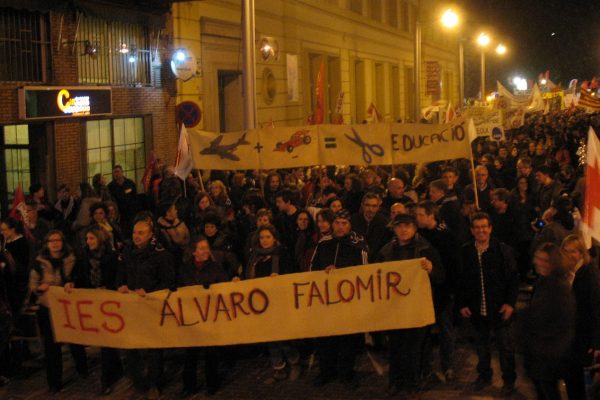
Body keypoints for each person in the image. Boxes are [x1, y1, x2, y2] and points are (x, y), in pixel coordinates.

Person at [376, 213, 444, 396]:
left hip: (417, 308)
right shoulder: (386, 251)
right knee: (395, 347)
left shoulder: (426, 250)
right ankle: (395, 381)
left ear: (414, 229)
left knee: (413, 348)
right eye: (399, 226)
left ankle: (412, 383)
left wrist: (431, 269)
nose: (403, 230)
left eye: (407, 226)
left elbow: (440, 277)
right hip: (394, 308)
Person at [458, 212, 519, 395]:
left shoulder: (502, 250)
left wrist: (510, 303)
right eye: (477, 227)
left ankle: (509, 380)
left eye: (484, 226)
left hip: (499, 308)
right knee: (481, 347)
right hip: (477, 309)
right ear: (471, 230)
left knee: (505, 348)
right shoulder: (466, 251)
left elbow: (513, 278)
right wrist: (462, 303)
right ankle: (484, 375)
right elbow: (461, 280)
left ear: (490, 228)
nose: (481, 230)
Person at [310, 209, 368, 389]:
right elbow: (312, 270)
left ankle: (346, 374)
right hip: (326, 301)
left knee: (347, 340)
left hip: (348, 302)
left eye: (344, 223)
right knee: (325, 339)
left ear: (350, 225)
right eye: (337, 223)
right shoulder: (323, 244)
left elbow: (365, 273)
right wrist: (324, 272)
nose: (340, 227)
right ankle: (326, 371)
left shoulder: (359, 245)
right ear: (332, 224)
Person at [117, 219, 175, 399]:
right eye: (135, 232)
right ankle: (137, 380)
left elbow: (169, 283)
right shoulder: (127, 252)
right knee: (131, 345)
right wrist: (122, 285)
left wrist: (149, 293)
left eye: (141, 233)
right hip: (131, 306)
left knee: (153, 347)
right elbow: (120, 275)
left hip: (151, 306)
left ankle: (153, 383)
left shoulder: (161, 255)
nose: (136, 236)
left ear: (151, 235)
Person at [29, 230, 88, 393]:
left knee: (74, 339)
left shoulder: (71, 259)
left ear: (63, 242)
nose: (55, 243)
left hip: (67, 306)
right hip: (48, 307)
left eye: (58, 240)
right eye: (51, 241)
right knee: (51, 345)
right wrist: (39, 288)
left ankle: (82, 367)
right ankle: (54, 381)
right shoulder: (39, 262)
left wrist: (72, 283)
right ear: (47, 244)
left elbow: (80, 277)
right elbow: (33, 285)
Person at [519, 243, 575, 400]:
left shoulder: (559, 288)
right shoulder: (544, 282)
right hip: (540, 353)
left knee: (549, 393)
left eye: (545, 260)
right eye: (537, 258)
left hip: (549, 355)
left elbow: (563, 323)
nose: (539, 262)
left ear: (554, 262)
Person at [245, 225, 300, 384]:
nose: (264, 240)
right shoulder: (254, 256)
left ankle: (294, 361)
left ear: (274, 238)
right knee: (269, 336)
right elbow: (248, 277)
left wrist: (280, 277)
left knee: (281, 335)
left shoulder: (282, 254)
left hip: (279, 302)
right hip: (261, 305)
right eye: (262, 237)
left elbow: (291, 274)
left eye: (268, 237)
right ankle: (279, 367)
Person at [178, 236, 229, 396]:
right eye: (201, 248)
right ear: (193, 252)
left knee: (211, 353)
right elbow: (178, 287)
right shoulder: (185, 269)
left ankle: (212, 383)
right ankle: (189, 385)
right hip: (191, 317)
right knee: (190, 354)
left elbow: (224, 286)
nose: (205, 251)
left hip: (210, 316)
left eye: (206, 248)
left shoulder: (215, 268)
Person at [415, 200, 459, 382]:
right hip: (423, 291)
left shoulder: (446, 236)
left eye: (420, 215)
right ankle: (426, 367)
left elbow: (454, 265)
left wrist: (451, 290)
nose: (416, 218)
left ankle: (448, 366)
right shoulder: (419, 235)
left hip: (442, 290)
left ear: (430, 215)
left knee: (445, 331)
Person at [74, 227, 122, 395]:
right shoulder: (83, 258)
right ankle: (116, 368)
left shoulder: (112, 257)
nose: (88, 242)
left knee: (106, 340)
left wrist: (109, 288)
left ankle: (106, 379)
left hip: (108, 303)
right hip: (92, 302)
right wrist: (72, 284)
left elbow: (118, 277)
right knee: (105, 340)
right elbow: (79, 277)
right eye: (87, 239)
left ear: (100, 239)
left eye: (92, 239)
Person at [560, 235, 600, 400]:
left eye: (574, 251)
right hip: (573, 337)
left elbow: (596, 308)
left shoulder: (588, 273)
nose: (570, 255)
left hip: (583, 338)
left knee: (581, 381)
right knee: (573, 377)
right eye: (566, 251)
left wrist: (596, 342)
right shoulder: (569, 271)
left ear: (582, 252)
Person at [350, 192, 390, 262]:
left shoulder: (384, 223)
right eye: (367, 205)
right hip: (356, 260)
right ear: (362, 205)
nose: (370, 209)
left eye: (374, 206)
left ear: (378, 207)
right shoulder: (353, 220)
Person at [107, 165, 138, 235]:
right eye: (114, 172)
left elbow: (135, 196)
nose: (116, 174)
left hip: (131, 212)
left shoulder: (130, 183)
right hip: (120, 213)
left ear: (122, 172)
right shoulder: (110, 186)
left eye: (117, 172)